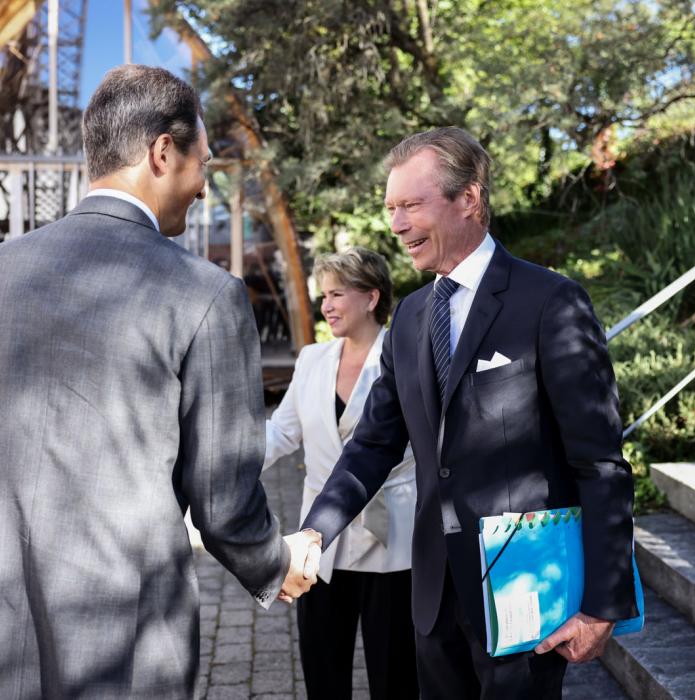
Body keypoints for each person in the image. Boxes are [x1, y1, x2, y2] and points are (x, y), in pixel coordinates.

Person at [0, 64, 320, 700]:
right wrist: (275, 563)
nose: (204, 187)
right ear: (162, 152)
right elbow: (222, 496)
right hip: (126, 639)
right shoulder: (205, 296)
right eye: (203, 162)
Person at [300, 127, 638, 699]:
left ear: (469, 199)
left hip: (524, 595)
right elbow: (375, 442)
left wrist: (603, 605)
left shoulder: (550, 301)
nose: (397, 224)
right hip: (433, 595)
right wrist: (315, 532)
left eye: (411, 205)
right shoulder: (408, 318)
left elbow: (599, 462)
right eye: (391, 208)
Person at [264, 248, 419, 700]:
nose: (326, 306)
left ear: (372, 298)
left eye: (337, 294)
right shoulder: (311, 359)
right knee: (322, 668)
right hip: (320, 544)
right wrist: (225, 465)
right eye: (323, 296)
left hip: (393, 542)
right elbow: (280, 432)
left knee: (395, 675)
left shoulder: (404, 354)